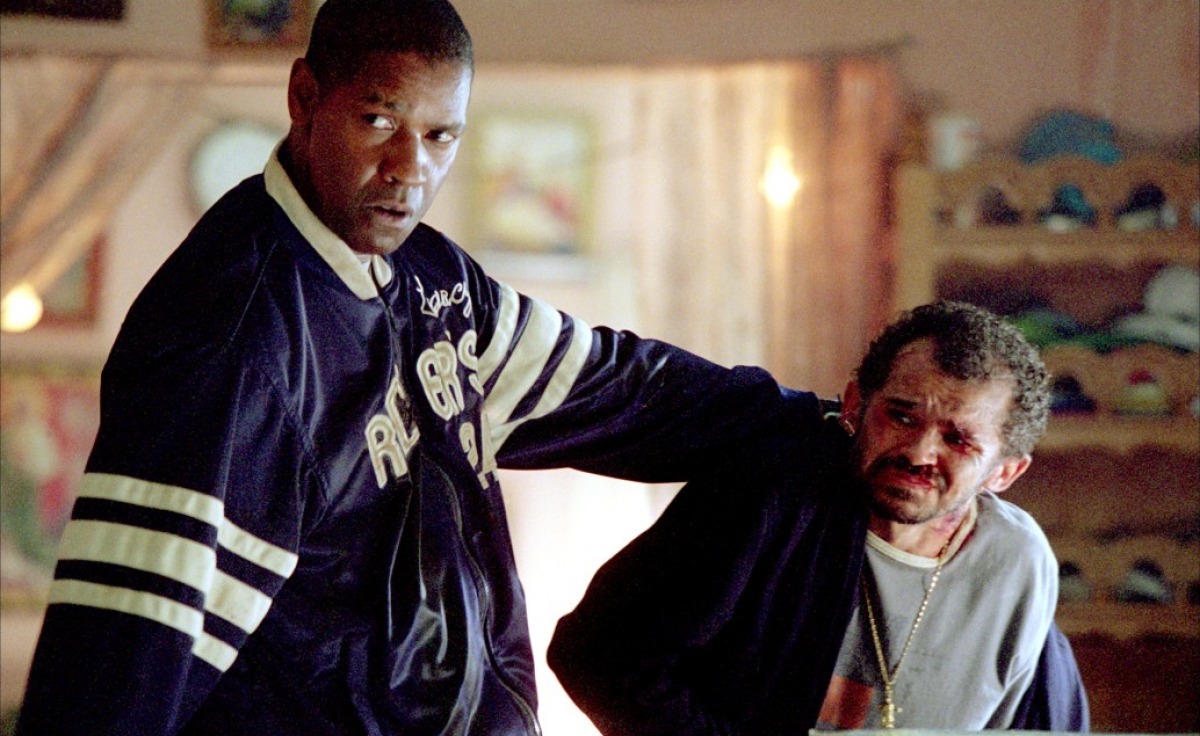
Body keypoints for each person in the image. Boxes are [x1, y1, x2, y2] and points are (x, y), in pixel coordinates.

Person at [14, 2, 807, 734]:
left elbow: (619, 388)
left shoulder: (431, 280)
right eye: (379, 120)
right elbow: (117, 667)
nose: (408, 167)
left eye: (439, 136)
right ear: (304, 97)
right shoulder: (231, 343)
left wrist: (822, 421)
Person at [548, 300, 1090, 735]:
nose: (920, 452)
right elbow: (597, 654)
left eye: (959, 439)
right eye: (901, 416)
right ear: (855, 405)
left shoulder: (1017, 563)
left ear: (1006, 471)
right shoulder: (769, 496)